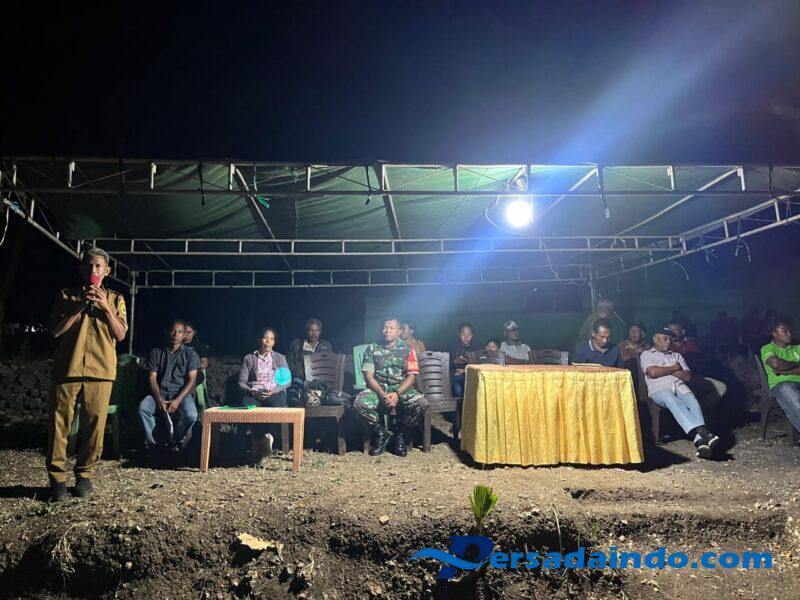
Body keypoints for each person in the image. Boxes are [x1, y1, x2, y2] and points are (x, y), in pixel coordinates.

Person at [46, 248, 128, 501]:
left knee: (94, 427)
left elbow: (120, 334)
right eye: (89, 265)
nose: (94, 270)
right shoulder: (66, 296)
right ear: (81, 269)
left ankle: (85, 475)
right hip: (68, 369)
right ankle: (57, 479)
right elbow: (55, 331)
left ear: (107, 271)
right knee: (59, 426)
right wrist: (79, 306)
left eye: (98, 266)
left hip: (101, 371)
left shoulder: (116, 299)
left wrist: (105, 308)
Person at [354, 317, 428, 457]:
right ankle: (382, 434)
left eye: (391, 328)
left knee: (421, 403)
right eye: (385, 327)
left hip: (401, 389)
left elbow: (412, 376)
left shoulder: (408, 349)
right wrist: (382, 394)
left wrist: (397, 393)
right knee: (359, 403)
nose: (387, 331)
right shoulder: (372, 348)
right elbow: (368, 377)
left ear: (399, 331)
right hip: (378, 389)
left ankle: (399, 436)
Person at [640, 331, 719, 458]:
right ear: (655, 340)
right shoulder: (647, 354)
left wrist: (663, 370)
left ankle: (701, 443)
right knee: (671, 399)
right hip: (659, 389)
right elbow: (653, 373)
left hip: (679, 386)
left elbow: (687, 377)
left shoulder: (677, 356)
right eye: (665, 339)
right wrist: (674, 368)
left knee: (693, 400)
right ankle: (703, 432)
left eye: (670, 339)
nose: (668, 342)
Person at [138, 320, 200, 453]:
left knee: (191, 415)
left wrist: (177, 400)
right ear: (167, 332)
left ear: (184, 335)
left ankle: (175, 439)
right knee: (143, 408)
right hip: (159, 392)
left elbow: (192, 380)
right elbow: (152, 377)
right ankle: (155, 444)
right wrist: (158, 398)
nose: (176, 334)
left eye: (180, 332)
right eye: (173, 331)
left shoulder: (191, 354)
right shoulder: (156, 352)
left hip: (181, 394)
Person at [238, 327, 291, 457]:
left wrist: (273, 391)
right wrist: (252, 391)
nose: (268, 341)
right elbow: (241, 382)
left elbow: (287, 381)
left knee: (277, 406)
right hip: (255, 392)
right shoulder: (249, 358)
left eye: (271, 339)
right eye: (265, 338)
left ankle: (259, 438)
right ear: (259, 339)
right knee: (249, 408)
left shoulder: (279, 358)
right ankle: (263, 438)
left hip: (274, 391)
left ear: (274, 342)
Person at [667, 321, 727, 403]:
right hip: (674, 380)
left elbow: (699, 361)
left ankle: (702, 407)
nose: (671, 332)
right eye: (669, 330)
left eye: (674, 330)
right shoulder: (665, 347)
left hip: (693, 377)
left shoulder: (691, 344)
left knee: (721, 387)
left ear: (683, 331)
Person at [760, 320, 800, 435]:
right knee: (787, 391)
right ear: (774, 333)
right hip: (781, 385)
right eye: (785, 331)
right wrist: (797, 365)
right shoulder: (767, 348)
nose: (789, 334)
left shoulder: (797, 348)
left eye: (790, 331)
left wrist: (788, 371)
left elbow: (780, 365)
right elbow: (775, 363)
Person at [450, 322, 479, 397]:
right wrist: (455, 361)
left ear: (472, 335)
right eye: (463, 335)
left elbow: (480, 365)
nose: (466, 338)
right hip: (457, 376)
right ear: (458, 334)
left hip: (473, 376)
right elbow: (445, 366)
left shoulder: (477, 348)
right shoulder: (452, 347)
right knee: (458, 390)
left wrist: (465, 370)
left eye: (469, 335)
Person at [183, 321, 210, 385]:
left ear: (194, 332)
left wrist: (192, 368)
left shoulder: (200, 346)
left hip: (192, 371)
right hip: (177, 372)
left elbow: (205, 363)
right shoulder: (176, 345)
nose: (186, 334)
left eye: (188, 332)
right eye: (184, 332)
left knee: (198, 377)